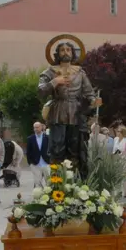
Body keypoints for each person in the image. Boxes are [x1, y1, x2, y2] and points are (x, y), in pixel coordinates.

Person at [38, 39, 101, 179]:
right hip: (58, 112)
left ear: (73, 53)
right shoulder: (49, 72)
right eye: (62, 50)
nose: (65, 52)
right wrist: (55, 81)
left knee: (76, 148)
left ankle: (76, 181)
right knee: (57, 148)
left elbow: (89, 92)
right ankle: (57, 181)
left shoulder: (80, 73)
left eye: (68, 50)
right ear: (57, 54)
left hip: (76, 113)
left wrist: (93, 100)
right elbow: (41, 91)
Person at [27, 122, 50, 188]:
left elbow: (51, 149)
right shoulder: (30, 138)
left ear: (41, 127)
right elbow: (28, 152)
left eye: (37, 127)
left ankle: (48, 196)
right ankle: (38, 197)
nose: (36, 129)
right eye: (34, 127)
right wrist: (30, 163)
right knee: (37, 182)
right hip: (35, 164)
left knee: (49, 182)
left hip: (46, 163)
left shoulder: (47, 138)